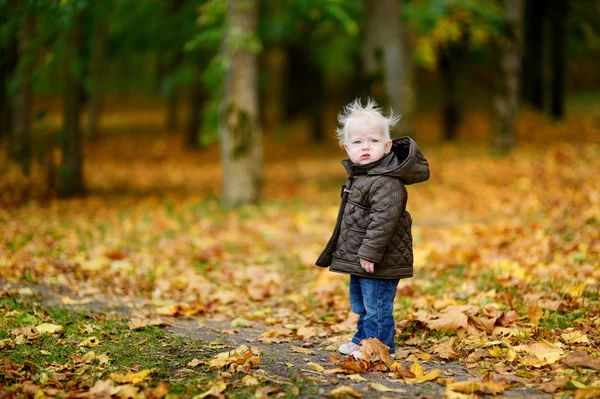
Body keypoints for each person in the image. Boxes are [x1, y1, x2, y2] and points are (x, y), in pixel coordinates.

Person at [315, 98, 430, 359]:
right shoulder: (362, 176)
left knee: (377, 305)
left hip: (379, 257)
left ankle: (379, 347)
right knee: (362, 303)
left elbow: (383, 221)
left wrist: (369, 252)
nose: (365, 147)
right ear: (347, 147)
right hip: (363, 257)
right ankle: (363, 338)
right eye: (357, 142)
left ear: (387, 146)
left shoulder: (386, 182)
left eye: (373, 141)